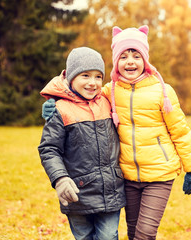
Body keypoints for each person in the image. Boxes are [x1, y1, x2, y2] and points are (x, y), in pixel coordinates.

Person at [43, 26, 191, 240]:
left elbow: (180, 131)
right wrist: (51, 104)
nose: (130, 61)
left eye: (136, 55)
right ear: (116, 61)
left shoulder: (163, 91)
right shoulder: (109, 91)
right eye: (123, 56)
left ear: (145, 60)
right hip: (126, 175)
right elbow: (76, 95)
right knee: (132, 230)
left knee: (145, 233)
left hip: (159, 172)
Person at [38, 47, 126, 240]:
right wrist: (60, 179)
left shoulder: (108, 100)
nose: (92, 83)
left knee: (109, 236)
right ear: (70, 77)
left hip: (110, 190)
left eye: (98, 77)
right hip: (77, 192)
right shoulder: (60, 110)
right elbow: (49, 149)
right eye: (85, 75)